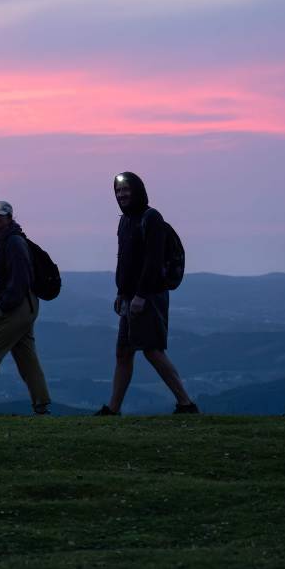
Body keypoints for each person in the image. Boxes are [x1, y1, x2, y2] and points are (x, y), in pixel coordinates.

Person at [96, 172, 199, 416]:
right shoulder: (125, 221)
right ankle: (113, 409)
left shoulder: (151, 218)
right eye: (118, 191)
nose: (121, 195)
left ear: (138, 190)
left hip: (148, 296)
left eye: (126, 190)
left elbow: (153, 261)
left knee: (152, 350)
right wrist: (122, 293)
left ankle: (186, 404)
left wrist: (141, 295)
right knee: (124, 352)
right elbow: (125, 260)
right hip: (130, 297)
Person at [0, 200, 51, 415]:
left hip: (15, 307)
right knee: (26, 358)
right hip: (24, 307)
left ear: (9, 217)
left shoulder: (13, 242)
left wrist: (3, 307)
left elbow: (21, 277)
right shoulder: (3, 240)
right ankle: (41, 406)